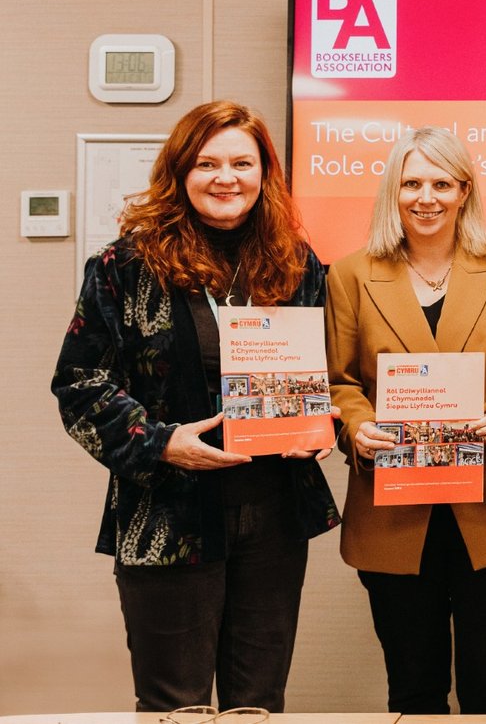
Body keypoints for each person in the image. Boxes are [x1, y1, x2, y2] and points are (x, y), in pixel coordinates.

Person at [52, 100, 337, 712]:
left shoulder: (296, 263)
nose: (225, 177)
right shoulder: (125, 265)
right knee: (175, 705)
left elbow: (323, 373)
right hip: (168, 514)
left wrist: (320, 423)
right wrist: (161, 444)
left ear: (265, 173)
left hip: (274, 513)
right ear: (179, 172)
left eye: (242, 163)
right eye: (207, 163)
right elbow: (78, 384)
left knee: (257, 704)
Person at [325, 125, 486, 714]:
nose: (426, 198)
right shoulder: (350, 274)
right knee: (414, 690)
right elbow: (340, 381)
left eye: (441, 184)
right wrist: (358, 427)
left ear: (464, 191)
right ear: (393, 191)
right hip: (394, 510)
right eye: (411, 184)